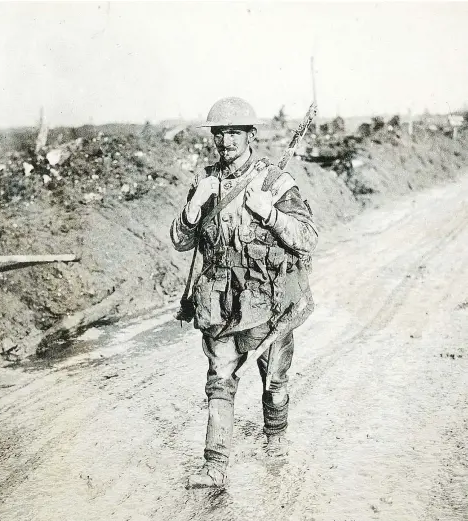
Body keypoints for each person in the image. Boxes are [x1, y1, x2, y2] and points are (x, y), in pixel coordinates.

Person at [170, 97, 318, 489]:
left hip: (270, 300)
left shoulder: (275, 182)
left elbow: (307, 240)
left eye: (234, 132)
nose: (226, 140)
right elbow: (181, 242)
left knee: (275, 379)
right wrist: (195, 206)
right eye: (220, 133)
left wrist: (270, 213)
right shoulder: (206, 183)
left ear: (251, 135)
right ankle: (215, 464)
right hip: (221, 302)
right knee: (219, 379)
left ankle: (275, 437)